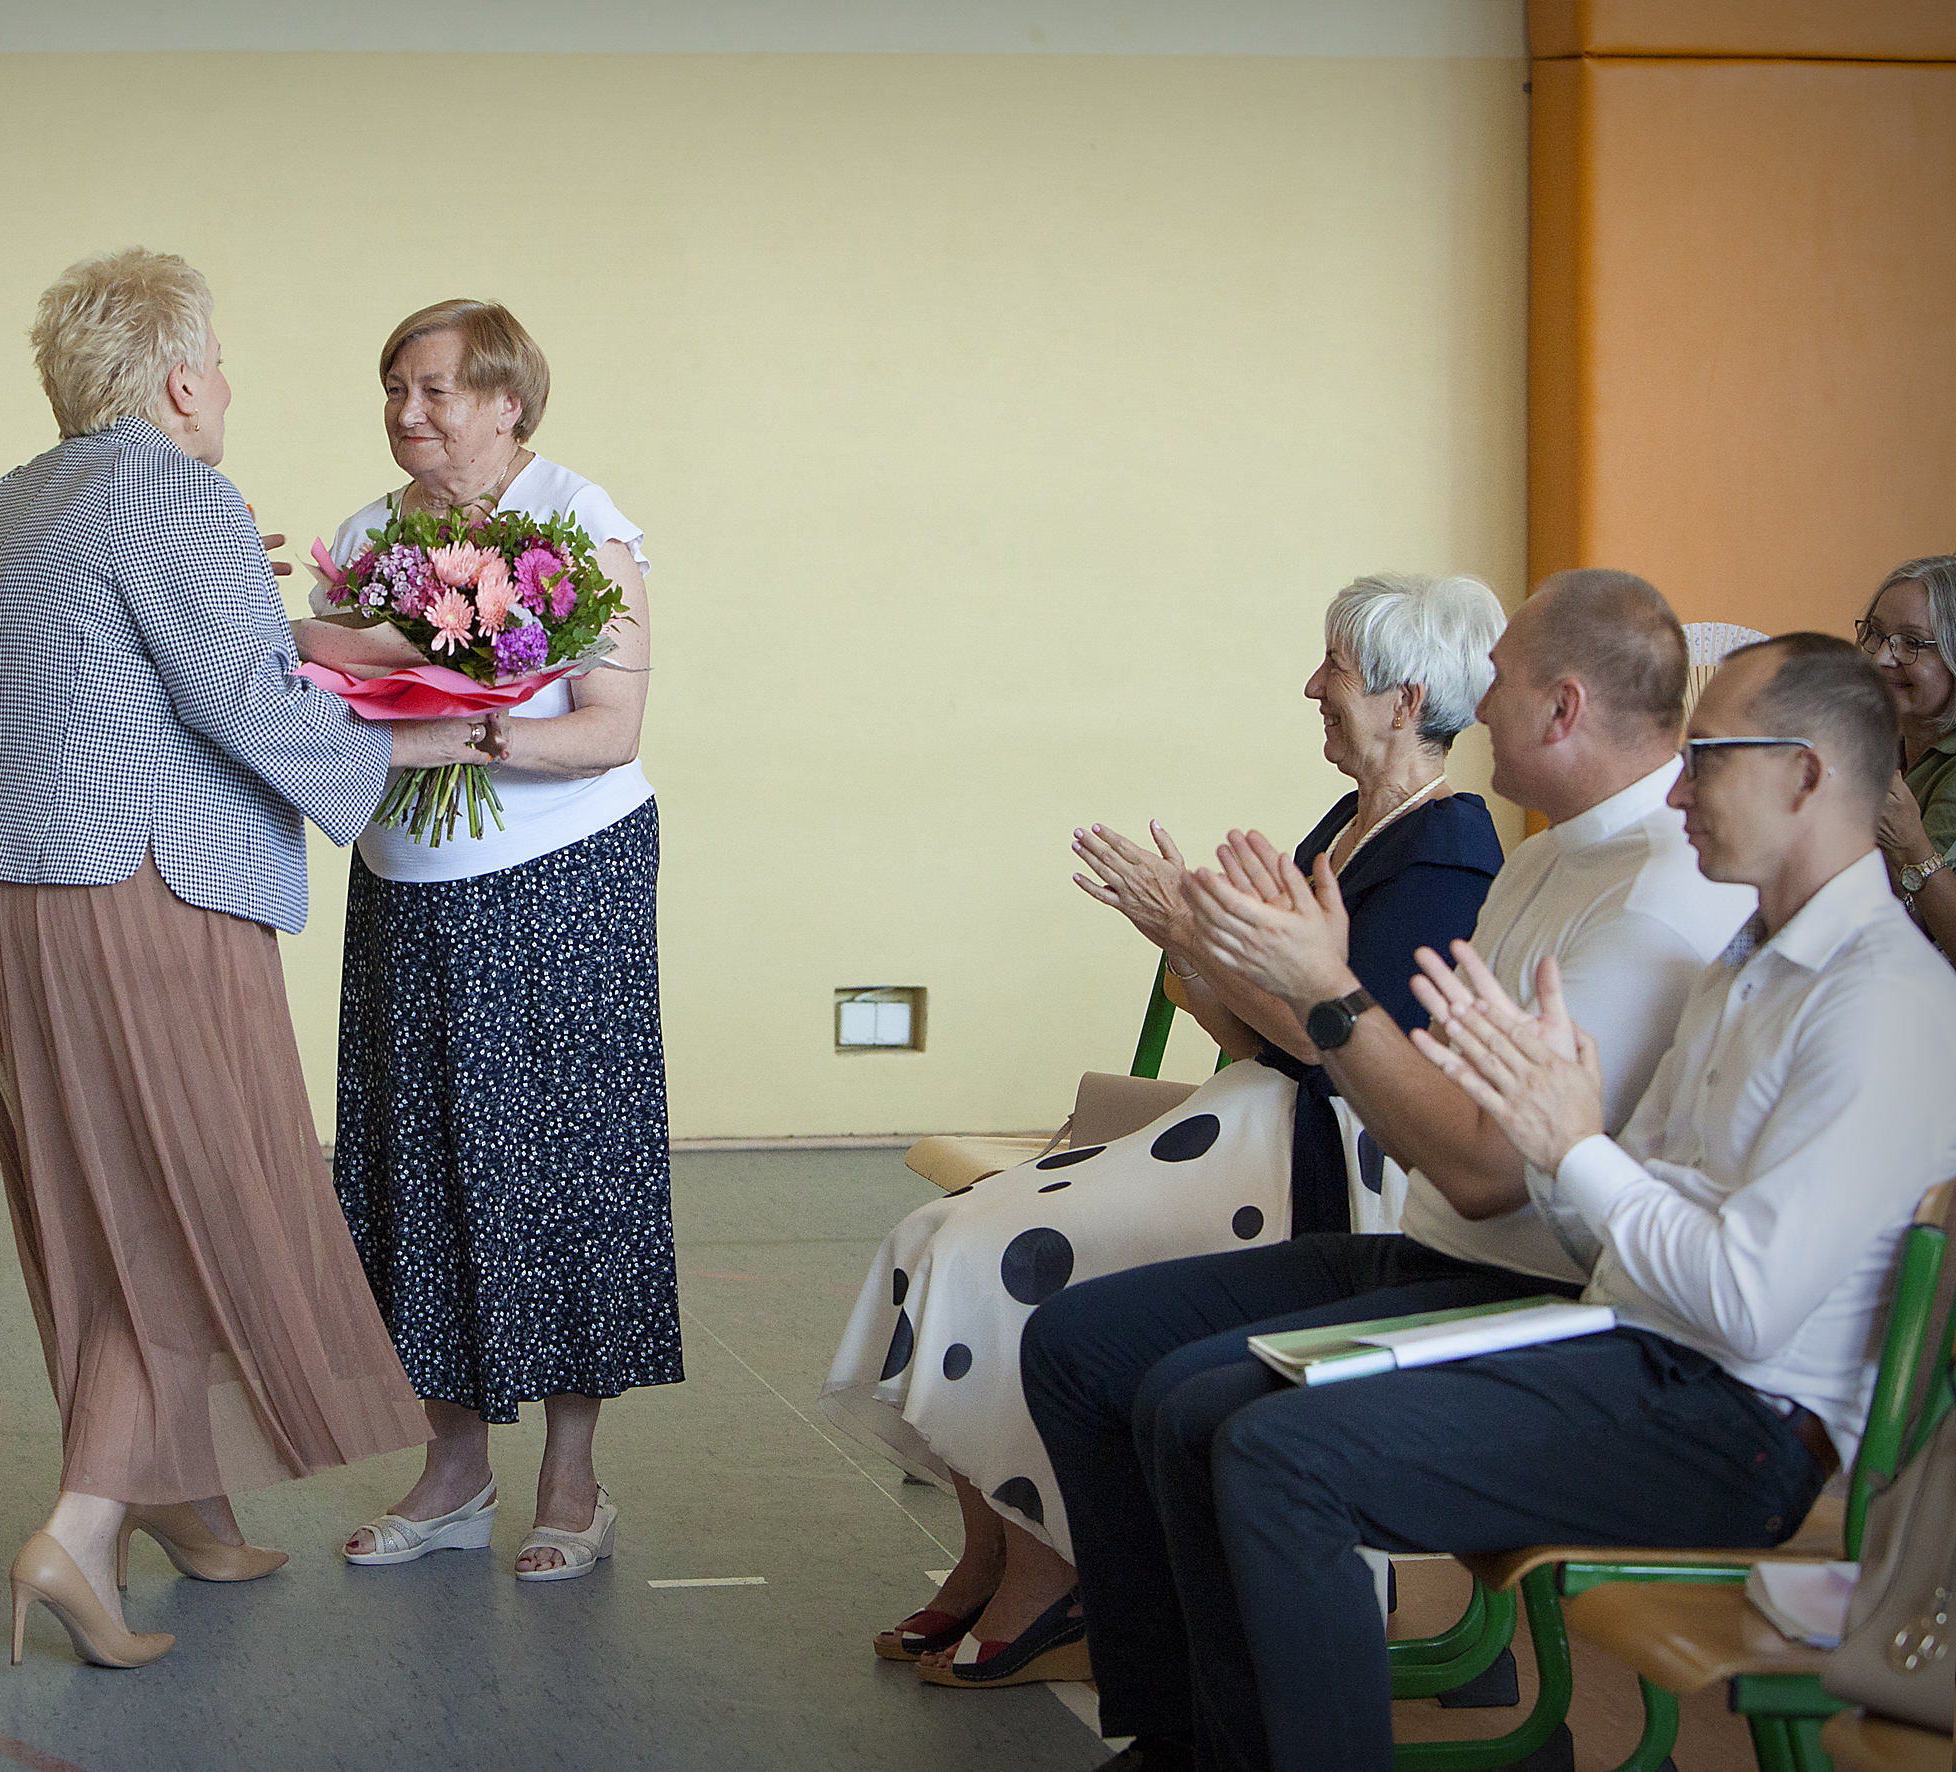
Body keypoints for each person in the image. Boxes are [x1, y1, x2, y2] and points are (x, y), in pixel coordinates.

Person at [1128, 634, 1956, 1772]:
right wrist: (1542, 1136)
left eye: (1706, 754)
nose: (1676, 785)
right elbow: (1622, 1223)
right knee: (1196, 1411)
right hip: (1631, 1345)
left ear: (1806, 773)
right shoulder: (1749, 960)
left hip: (1737, 1425)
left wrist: (1572, 1148)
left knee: (1279, 1458)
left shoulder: (1884, 1001)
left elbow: (1746, 1306)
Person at [1018, 569, 1758, 1763]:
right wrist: (1279, 980)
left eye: (1498, 680)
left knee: (1206, 1410)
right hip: (1441, 1247)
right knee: (1081, 1344)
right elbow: (1407, 1093)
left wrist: (1318, 991)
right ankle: (1180, 1733)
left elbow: (1478, 1169)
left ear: (1558, 707)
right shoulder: (1540, 859)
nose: (1472, 698)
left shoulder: (1650, 902)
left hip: (1532, 1289)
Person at [0, 249, 493, 1668]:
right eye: (223, 361)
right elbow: (241, 698)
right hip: (137, 892)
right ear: (182, 379)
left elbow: (69, 672)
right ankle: (79, 1525)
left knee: (99, 1205)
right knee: (187, 1209)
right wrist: (437, 736)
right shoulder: (172, 487)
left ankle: (180, 1498)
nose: (230, 385)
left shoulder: (15, 502)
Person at [821, 574, 1507, 1689]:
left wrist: (1206, 932)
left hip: (1309, 1158)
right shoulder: (1349, 823)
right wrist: (1182, 943)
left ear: (1400, 695)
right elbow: (1253, 1024)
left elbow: (1341, 1046)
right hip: (1246, 1117)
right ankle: (994, 1552)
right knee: (931, 1230)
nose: (1309, 687)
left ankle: (1051, 1580)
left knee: (991, 1255)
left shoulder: (1445, 851)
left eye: (1330, 665)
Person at [300, 300, 677, 1583]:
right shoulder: (363, 543)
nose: (409, 411)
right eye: (394, 388)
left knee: (563, 1165)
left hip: (562, 876)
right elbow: (329, 703)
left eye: (437, 389)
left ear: (508, 399)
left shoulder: (582, 521)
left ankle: (571, 1480)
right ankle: (451, 1470)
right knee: (417, 1167)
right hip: (406, 882)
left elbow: (610, 730)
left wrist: (460, 728)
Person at [1857, 554, 1956, 961]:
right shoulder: (1876, 740)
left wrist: (1910, 845)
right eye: (1876, 635)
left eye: (1912, 643)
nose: (1882, 657)